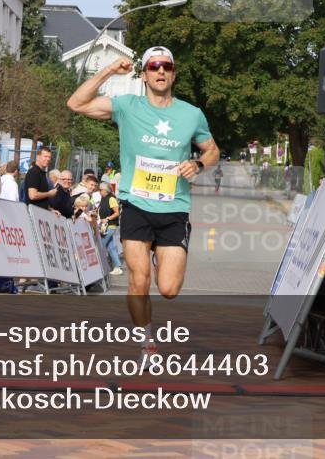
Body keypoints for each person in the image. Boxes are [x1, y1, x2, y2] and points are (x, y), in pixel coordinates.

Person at [67, 46, 219, 355]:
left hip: (174, 207)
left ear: (173, 73)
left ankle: (159, 256)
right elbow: (76, 103)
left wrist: (200, 164)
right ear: (144, 74)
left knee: (169, 289)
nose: (160, 71)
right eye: (153, 66)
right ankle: (146, 340)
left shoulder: (191, 114)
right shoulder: (127, 106)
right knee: (139, 279)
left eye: (166, 66)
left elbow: (212, 150)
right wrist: (109, 70)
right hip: (135, 204)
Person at [24, 148, 69, 212]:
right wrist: (49, 194)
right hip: (33, 214)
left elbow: (42, 200)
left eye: (49, 157)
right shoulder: (34, 172)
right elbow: (32, 195)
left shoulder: (41, 173)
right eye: (45, 156)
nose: (48, 159)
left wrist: (51, 210)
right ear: (38, 157)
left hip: (41, 214)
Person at [98, 181, 123, 275]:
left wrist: (108, 218)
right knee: (111, 247)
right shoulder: (103, 198)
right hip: (106, 226)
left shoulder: (111, 198)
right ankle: (117, 266)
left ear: (105, 190)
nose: (99, 191)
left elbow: (117, 212)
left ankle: (101, 267)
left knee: (100, 246)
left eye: (101, 190)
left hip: (110, 226)